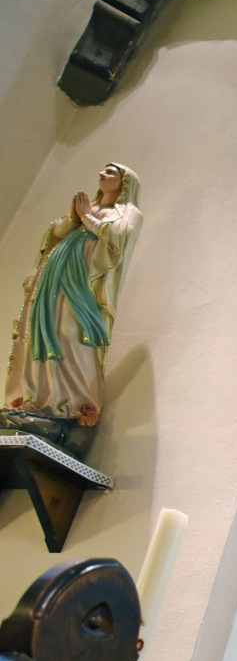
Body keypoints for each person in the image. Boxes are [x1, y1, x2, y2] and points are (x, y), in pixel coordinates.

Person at [3, 163, 143, 458]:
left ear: (125, 183)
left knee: (71, 335)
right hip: (53, 280)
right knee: (43, 333)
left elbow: (120, 236)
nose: (103, 175)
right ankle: (37, 401)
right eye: (103, 171)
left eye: (111, 172)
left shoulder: (129, 212)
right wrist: (73, 217)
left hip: (84, 283)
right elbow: (56, 233)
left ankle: (72, 405)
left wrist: (87, 217)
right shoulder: (88, 208)